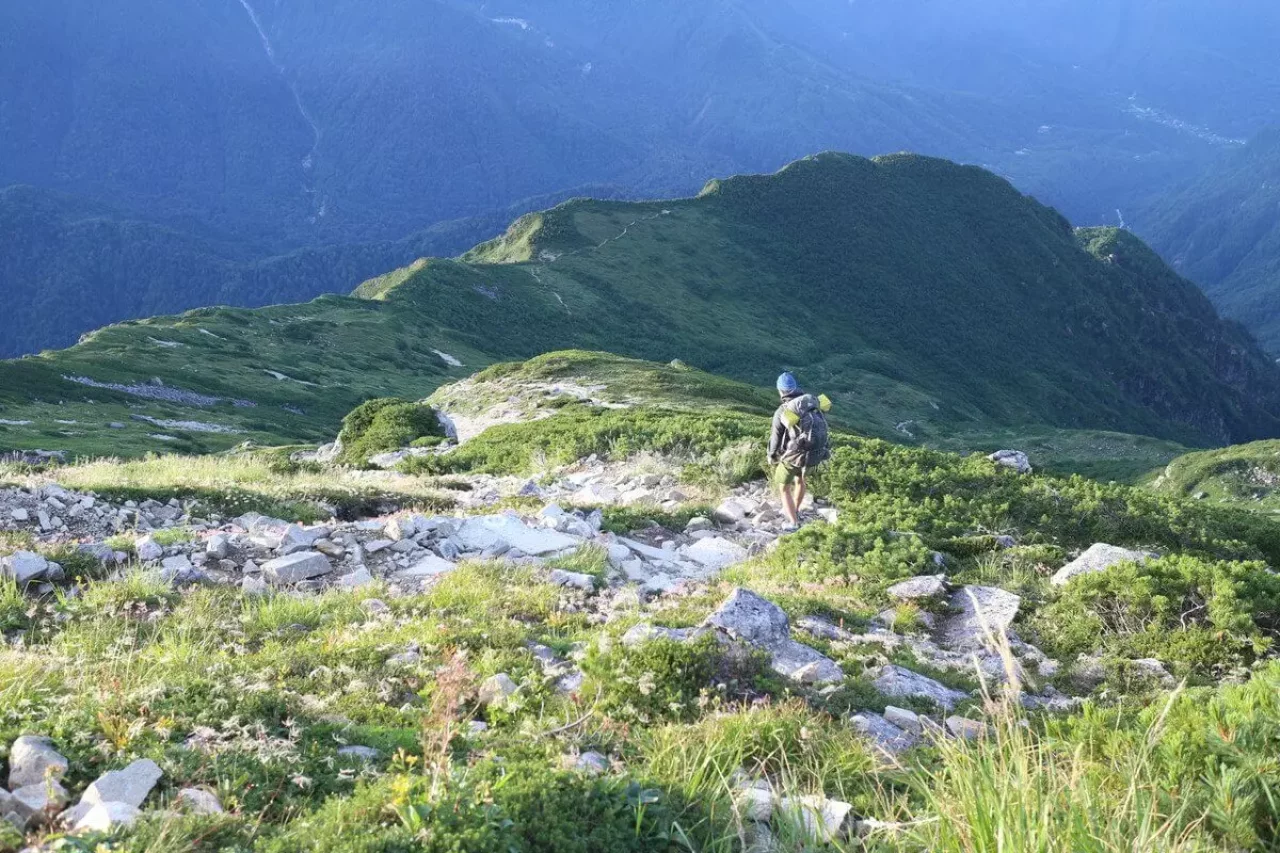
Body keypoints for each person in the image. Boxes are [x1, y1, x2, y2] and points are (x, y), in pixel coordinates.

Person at [767, 372, 831, 530]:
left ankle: (793, 523)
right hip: (814, 454)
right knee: (801, 480)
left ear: (780, 391)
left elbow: (776, 438)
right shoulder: (811, 403)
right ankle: (795, 510)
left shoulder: (783, 410)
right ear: (795, 387)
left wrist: (771, 456)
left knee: (783, 487)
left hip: (793, 456)